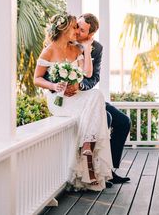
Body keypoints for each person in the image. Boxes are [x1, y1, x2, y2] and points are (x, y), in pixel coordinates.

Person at [34, 13, 112, 191]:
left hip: (75, 97)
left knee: (97, 96)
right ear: (64, 29)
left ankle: (87, 147)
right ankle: (88, 159)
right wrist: (55, 85)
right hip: (58, 99)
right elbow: (37, 79)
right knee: (95, 104)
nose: (76, 31)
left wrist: (86, 48)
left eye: (79, 28)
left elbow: (88, 74)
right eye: (74, 27)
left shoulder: (76, 49)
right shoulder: (49, 50)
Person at [65, 13, 131, 185]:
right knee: (106, 118)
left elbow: (94, 78)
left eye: (82, 30)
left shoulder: (97, 48)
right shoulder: (66, 41)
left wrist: (80, 86)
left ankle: (109, 169)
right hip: (72, 100)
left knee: (124, 121)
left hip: (87, 95)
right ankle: (96, 171)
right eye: (77, 26)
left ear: (90, 35)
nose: (77, 31)